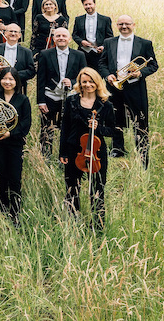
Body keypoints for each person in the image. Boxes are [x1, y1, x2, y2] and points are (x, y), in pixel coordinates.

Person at [99, 15, 158, 167]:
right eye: (120, 24)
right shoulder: (109, 42)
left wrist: (140, 73)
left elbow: (153, 65)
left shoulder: (145, 43)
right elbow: (102, 63)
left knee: (140, 120)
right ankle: (117, 148)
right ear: (116, 26)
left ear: (133, 24)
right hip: (114, 87)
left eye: (127, 24)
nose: (124, 26)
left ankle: (142, 151)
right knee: (115, 118)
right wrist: (107, 75)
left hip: (135, 88)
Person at [59, 68, 115, 228]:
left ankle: (97, 224)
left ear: (97, 83)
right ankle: (72, 221)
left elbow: (112, 131)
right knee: (72, 187)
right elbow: (65, 127)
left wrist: (99, 128)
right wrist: (63, 152)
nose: (88, 85)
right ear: (80, 83)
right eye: (84, 82)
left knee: (97, 188)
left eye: (91, 81)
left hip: (96, 152)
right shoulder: (71, 101)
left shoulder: (105, 104)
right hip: (74, 149)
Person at [0, 67, 32, 225]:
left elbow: (26, 124)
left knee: (15, 178)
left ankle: (15, 213)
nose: (7, 82)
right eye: (4, 78)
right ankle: (1, 210)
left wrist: (10, 133)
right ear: (0, 80)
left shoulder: (23, 100)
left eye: (11, 79)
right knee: (1, 176)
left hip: (15, 143)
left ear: (16, 81)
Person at [36, 28, 87, 158]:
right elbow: (41, 79)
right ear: (54, 38)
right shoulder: (45, 54)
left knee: (70, 128)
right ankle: (45, 157)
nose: (61, 38)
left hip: (71, 97)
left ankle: (67, 156)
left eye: (64, 36)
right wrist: (41, 101)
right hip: (50, 97)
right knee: (47, 128)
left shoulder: (79, 55)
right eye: (58, 36)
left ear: (69, 39)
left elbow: (84, 76)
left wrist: (72, 81)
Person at [0, 23, 36, 98]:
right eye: (10, 31)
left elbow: (31, 72)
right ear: (5, 33)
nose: (13, 33)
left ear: (20, 35)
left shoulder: (27, 52)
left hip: (19, 90)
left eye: (16, 32)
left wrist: (14, 75)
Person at [72, 0, 113, 70]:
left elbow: (110, 37)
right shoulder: (78, 19)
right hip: (83, 53)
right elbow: (74, 35)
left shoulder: (105, 19)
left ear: (94, 4)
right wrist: (81, 41)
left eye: (90, 4)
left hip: (99, 53)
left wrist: (103, 47)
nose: (88, 6)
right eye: (86, 4)